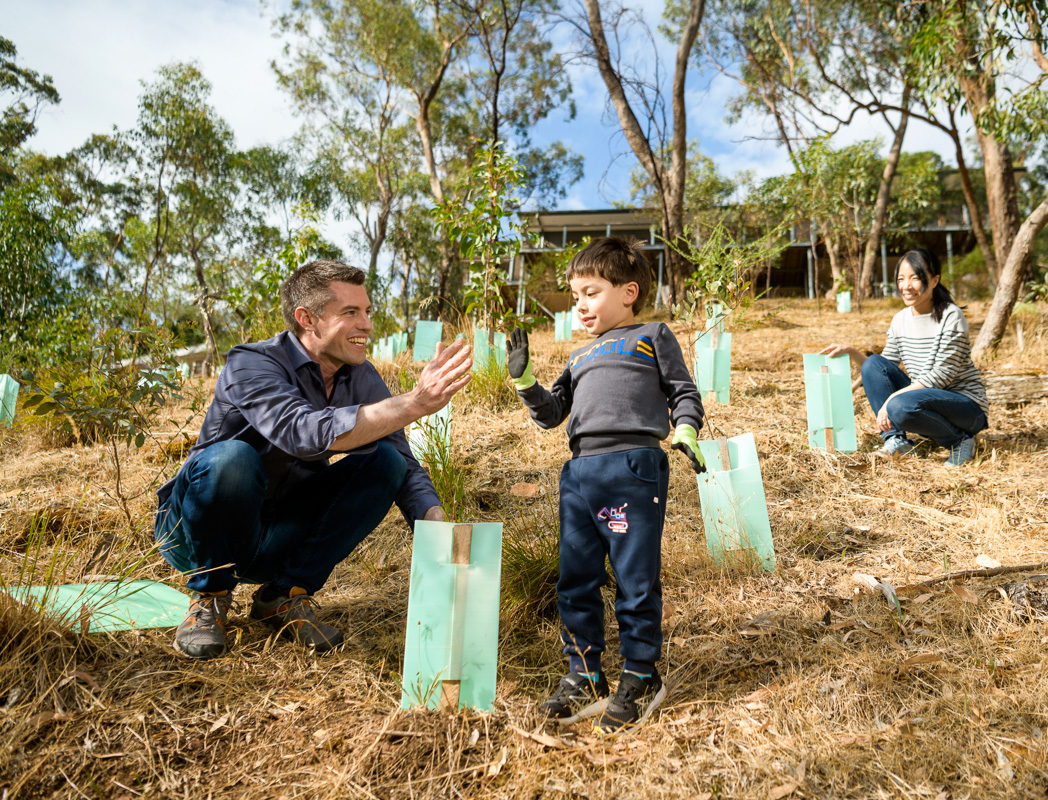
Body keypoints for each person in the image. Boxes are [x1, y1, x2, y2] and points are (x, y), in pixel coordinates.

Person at [155, 259, 472, 660]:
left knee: (388, 462)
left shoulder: (361, 377)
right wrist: (415, 403)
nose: (367, 325)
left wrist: (433, 521)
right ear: (307, 319)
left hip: (279, 532)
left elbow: (404, 464)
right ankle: (209, 596)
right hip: (199, 533)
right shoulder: (251, 362)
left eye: (367, 311)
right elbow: (301, 433)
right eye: (350, 312)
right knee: (233, 459)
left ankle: (284, 595)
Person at [506, 236, 706, 732]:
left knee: (635, 579)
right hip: (579, 474)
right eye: (575, 296)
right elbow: (552, 414)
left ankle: (641, 673)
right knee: (575, 579)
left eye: (591, 293)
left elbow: (683, 391)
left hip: (633, 468)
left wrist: (686, 430)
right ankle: (585, 674)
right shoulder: (578, 356)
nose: (580, 305)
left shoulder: (652, 335)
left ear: (628, 292)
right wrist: (526, 382)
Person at [820, 248, 988, 467]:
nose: (906, 286)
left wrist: (891, 400)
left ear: (934, 280)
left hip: (965, 407)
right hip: (923, 402)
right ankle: (896, 440)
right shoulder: (900, 320)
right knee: (873, 364)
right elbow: (882, 369)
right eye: (901, 279)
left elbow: (941, 376)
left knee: (899, 405)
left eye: (915, 278)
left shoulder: (951, 315)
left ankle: (960, 440)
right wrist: (852, 352)